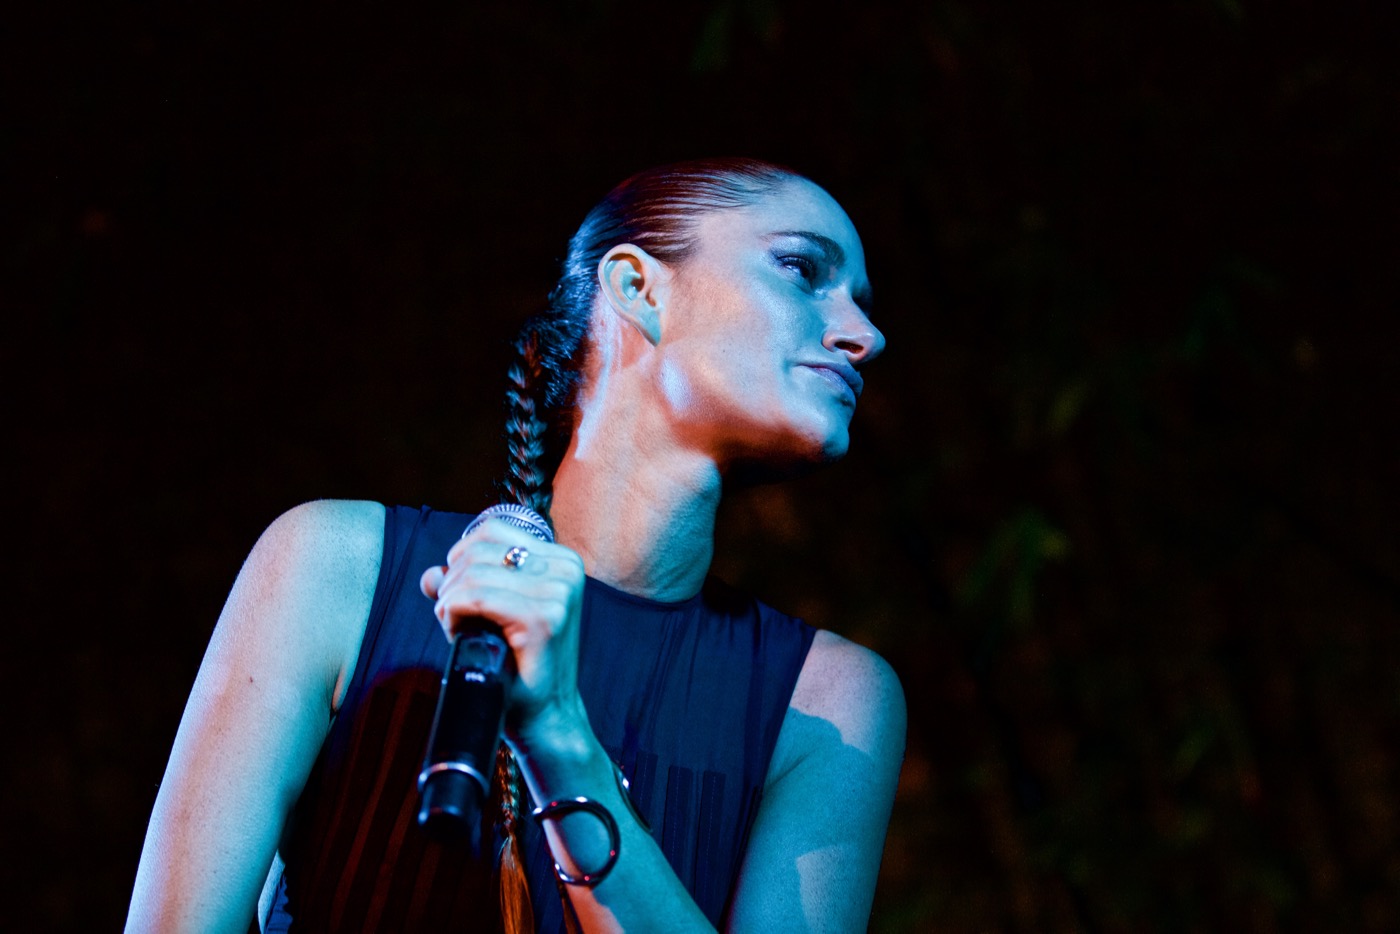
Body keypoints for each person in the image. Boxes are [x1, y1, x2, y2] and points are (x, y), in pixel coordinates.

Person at [126, 157, 905, 933]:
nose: (864, 336)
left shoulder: (829, 705)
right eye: (802, 270)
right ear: (638, 288)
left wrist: (560, 738)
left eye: (862, 306)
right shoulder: (336, 567)